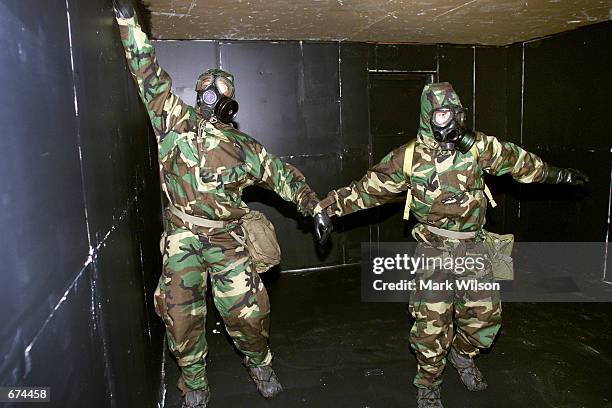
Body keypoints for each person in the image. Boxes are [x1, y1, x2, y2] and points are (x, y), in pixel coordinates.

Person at [111, 1, 333, 407]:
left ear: (232, 101)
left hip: (227, 240)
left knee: (248, 315)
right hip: (183, 238)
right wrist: (129, 22)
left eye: (222, 92)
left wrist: (314, 206)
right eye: (209, 91)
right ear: (199, 95)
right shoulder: (173, 121)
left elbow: (283, 176)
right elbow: (147, 73)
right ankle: (194, 384)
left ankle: (259, 363)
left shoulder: (244, 148)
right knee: (180, 318)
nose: (214, 97)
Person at [317, 82, 588, 408]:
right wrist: (327, 209)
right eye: (441, 113)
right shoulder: (409, 158)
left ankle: (463, 356)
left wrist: (559, 176)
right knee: (431, 330)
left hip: (474, 247)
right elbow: (367, 189)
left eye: (454, 113)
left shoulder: (476, 147)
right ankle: (429, 386)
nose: (448, 120)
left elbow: (519, 163)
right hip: (434, 250)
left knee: (485, 321)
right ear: (428, 116)